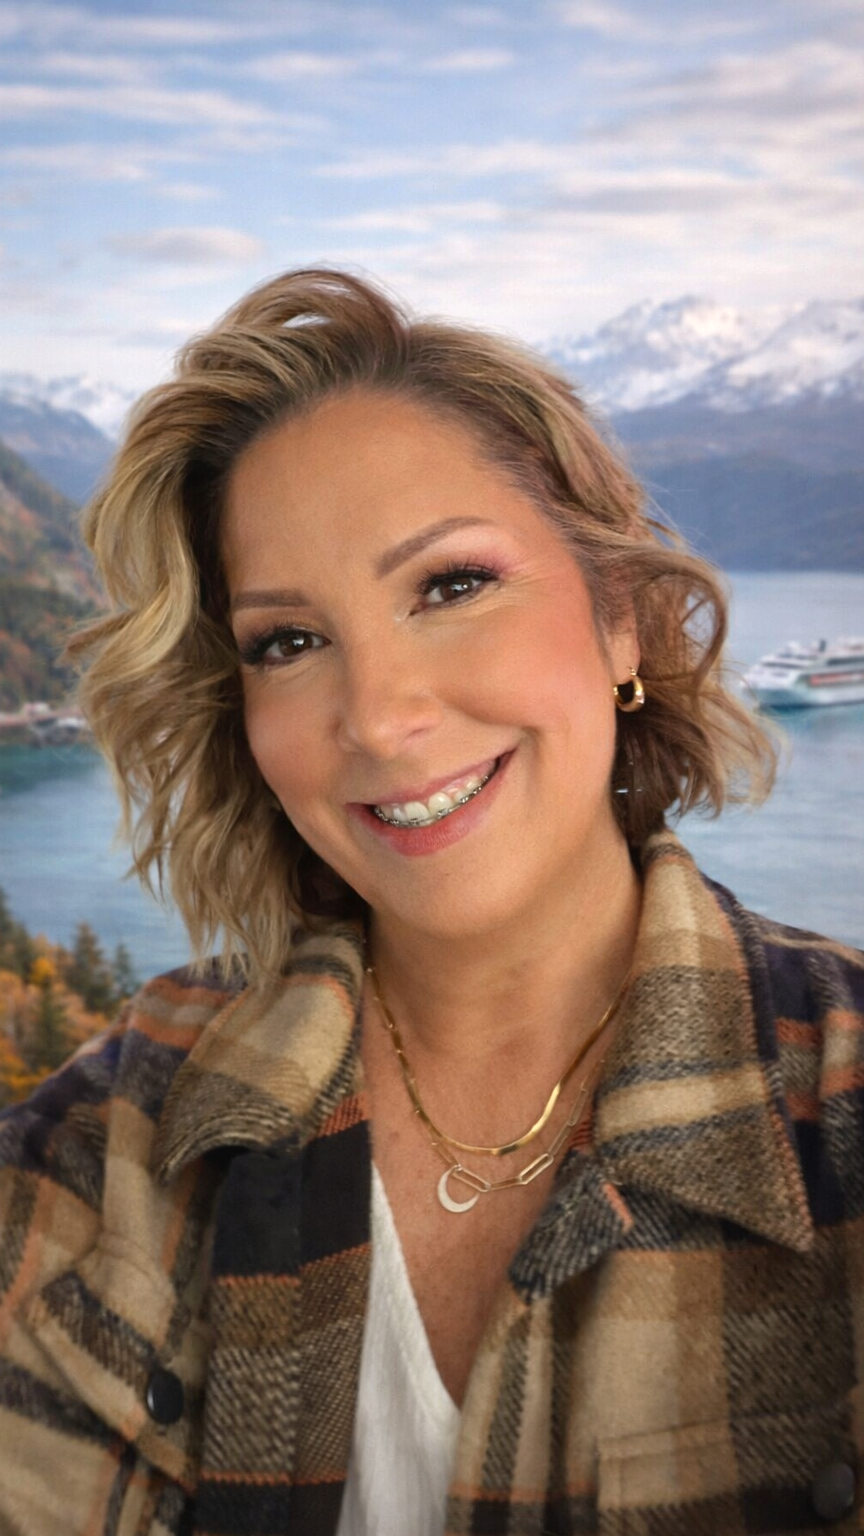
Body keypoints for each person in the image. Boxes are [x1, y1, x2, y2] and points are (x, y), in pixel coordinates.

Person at [0, 268, 862, 1536]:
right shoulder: (115, 1143)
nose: (382, 716)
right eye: (288, 641)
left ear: (619, 617)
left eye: (452, 585)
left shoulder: (838, 1111)